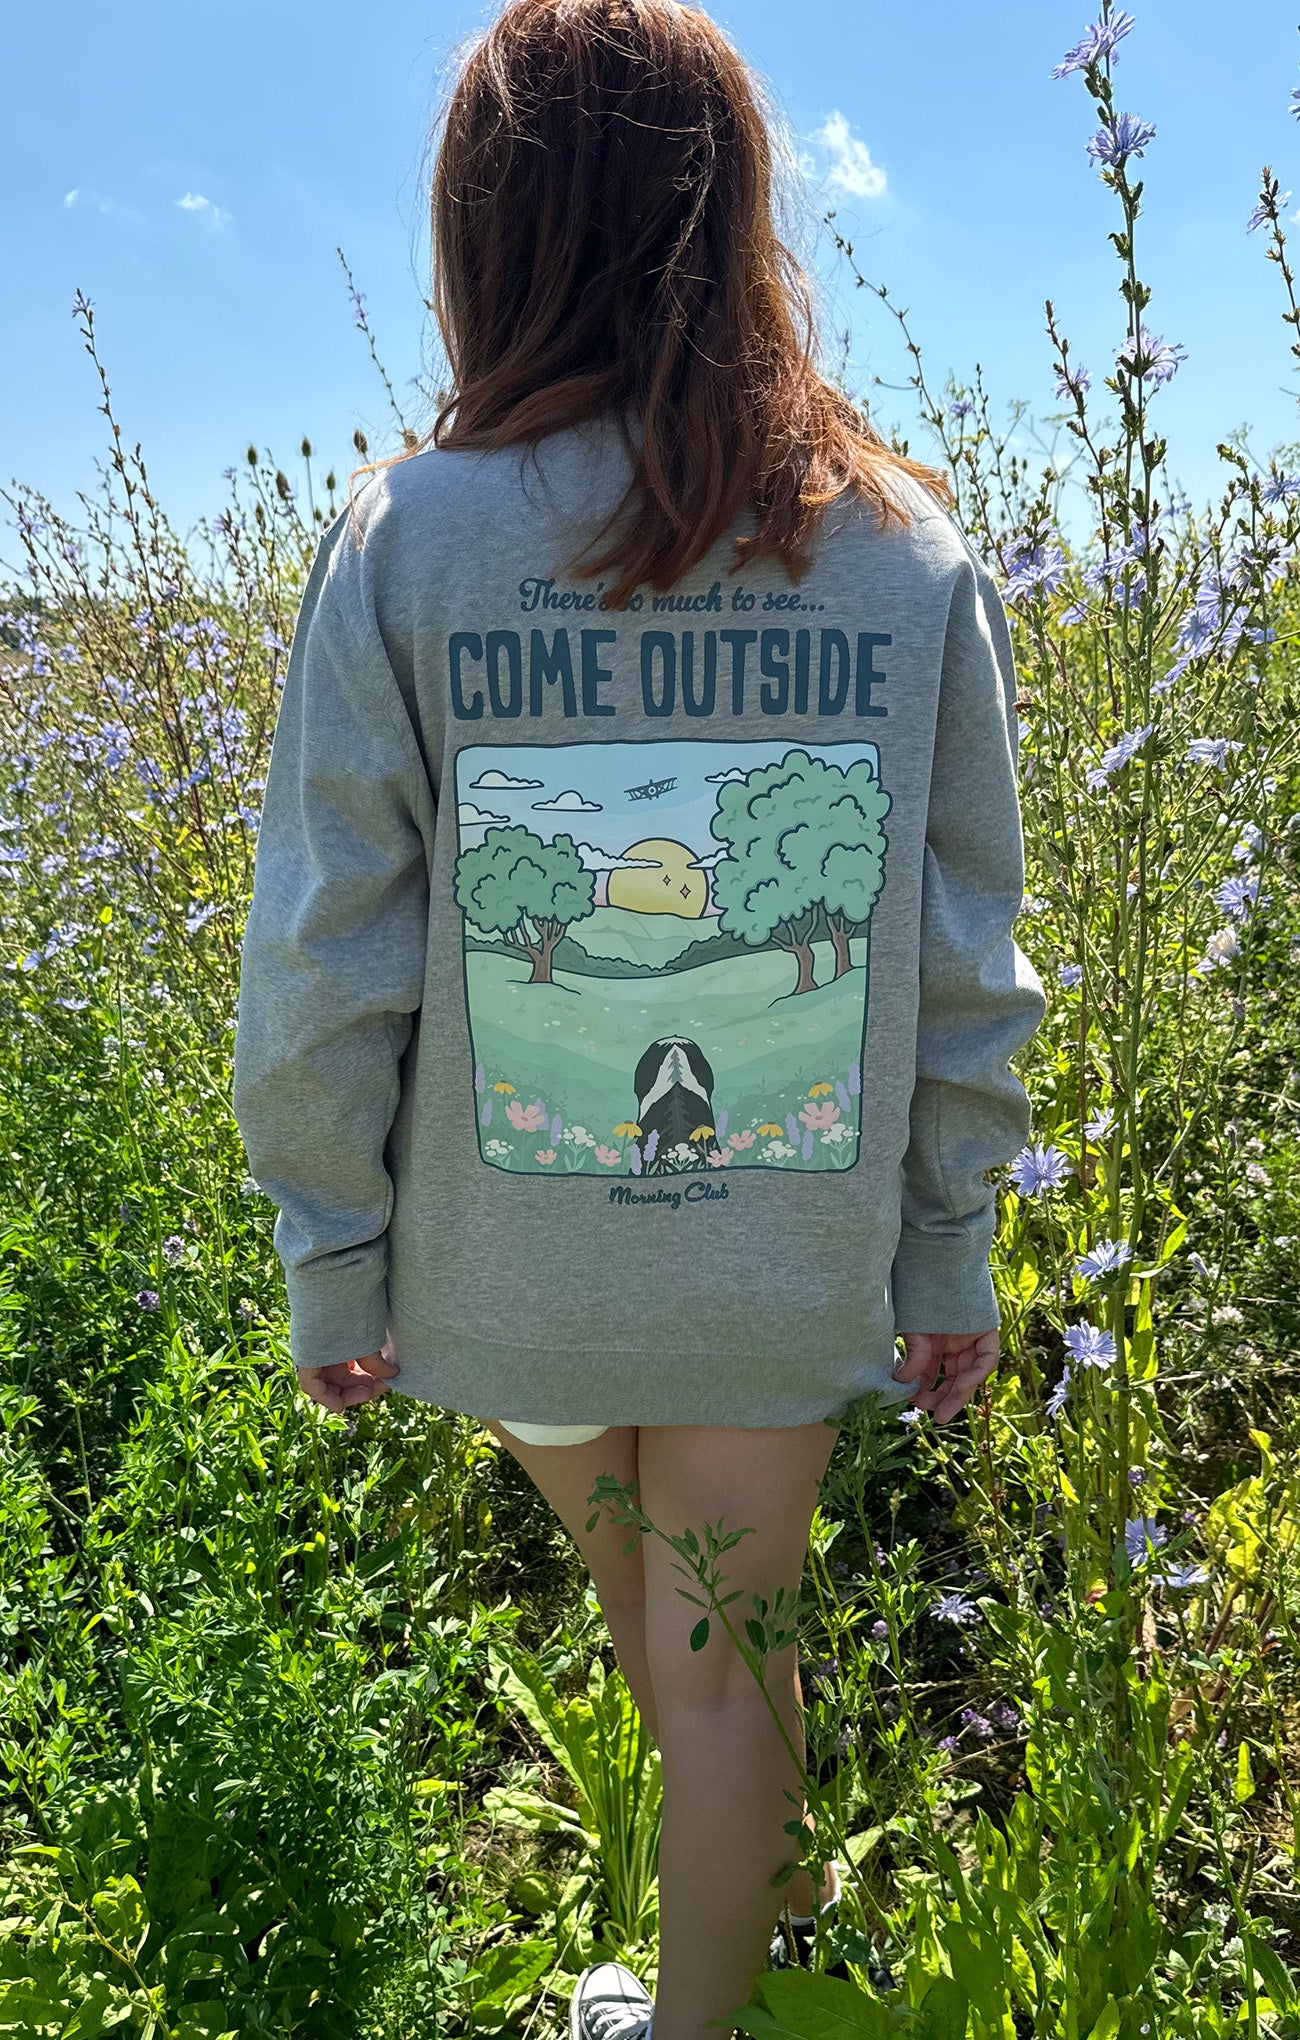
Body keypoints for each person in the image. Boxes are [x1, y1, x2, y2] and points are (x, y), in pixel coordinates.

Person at [231, 3, 1048, 2035]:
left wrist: (332, 1250)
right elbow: (966, 954)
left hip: (507, 1277)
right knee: (718, 1658)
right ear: (740, 212)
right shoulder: (904, 553)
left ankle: (687, 1999)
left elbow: (327, 945)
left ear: (481, 230)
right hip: (782, 1265)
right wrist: (947, 1238)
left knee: (662, 1630)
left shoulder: (408, 539)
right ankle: (721, 1974)